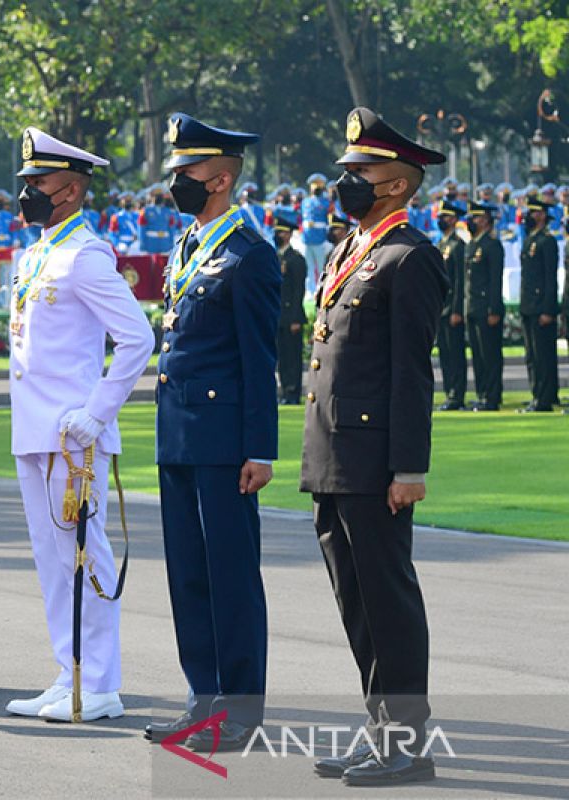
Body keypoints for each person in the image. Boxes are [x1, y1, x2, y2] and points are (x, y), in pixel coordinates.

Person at [302, 107, 448, 786]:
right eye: (347, 172)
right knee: (356, 601)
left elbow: (410, 371)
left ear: (396, 184)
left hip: (376, 458)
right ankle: (379, 730)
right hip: (333, 453)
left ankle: (409, 743)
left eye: (361, 172)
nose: (347, 182)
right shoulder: (347, 248)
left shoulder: (410, 256)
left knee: (388, 600)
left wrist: (409, 467)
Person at [5, 127, 153, 722]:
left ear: (69, 190)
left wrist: (98, 412)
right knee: (51, 557)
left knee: (86, 556)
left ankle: (100, 683)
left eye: (38, 183)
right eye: (27, 183)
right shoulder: (38, 252)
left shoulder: (86, 255)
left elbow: (138, 337)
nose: (28, 193)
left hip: (73, 438)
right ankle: (69, 672)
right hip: (35, 429)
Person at [143, 113, 279, 751]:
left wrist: (260, 448)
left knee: (230, 574)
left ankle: (240, 707)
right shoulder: (188, 245)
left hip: (226, 442)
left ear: (221, 178)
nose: (177, 183)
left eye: (187, 173)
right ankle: (202, 697)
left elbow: (259, 359)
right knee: (188, 575)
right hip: (179, 435)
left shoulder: (249, 253)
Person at [517, 198, 561, 412]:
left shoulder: (546, 241)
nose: (529, 217)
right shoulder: (529, 240)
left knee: (542, 356)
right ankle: (538, 394)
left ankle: (544, 398)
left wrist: (548, 309)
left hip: (540, 306)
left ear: (542, 215)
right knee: (532, 355)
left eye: (534, 213)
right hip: (528, 305)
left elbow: (549, 279)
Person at [464, 199, 505, 411]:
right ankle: (482, 393)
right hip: (473, 307)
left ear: (487, 221)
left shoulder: (492, 245)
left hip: (486, 308)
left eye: (477, 217)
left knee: (490, 355)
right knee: (478, 356)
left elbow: (494, 280)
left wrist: (493, 309)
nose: (472, 221)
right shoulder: (473, 244)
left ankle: (492, 396)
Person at [434, 199, 468, 410]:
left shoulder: (458, 246)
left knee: (455, 354)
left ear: (454, 220)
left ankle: (457, 394)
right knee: (445, 354)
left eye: (446, 216)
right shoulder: (441, 244)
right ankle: (449, 393)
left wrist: (457, 309)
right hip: (441, 308)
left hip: (452, 309)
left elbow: (459, 282)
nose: (442, 219)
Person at [274, 208, 307, 404]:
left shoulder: (296, 259)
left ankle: (293, 392)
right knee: (282, 358)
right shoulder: (274, 258)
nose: (278, 235)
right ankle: (285, 389)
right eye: (277, 232)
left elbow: (298, 291)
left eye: (282, 232)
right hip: (277, 315)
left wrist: (295, 317)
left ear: (289, 234)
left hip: (291, 315)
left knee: (293, 357)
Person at [301, 173, 331, 292]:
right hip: (307, 238)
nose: (315, 189)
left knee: (321, 267)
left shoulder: (326, 202)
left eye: (318, 187)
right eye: (314, 187)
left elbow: (328, 220)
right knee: (309, 268)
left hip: (320, 238)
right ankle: (311, 291)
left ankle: (322, 290)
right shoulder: (306, 201)